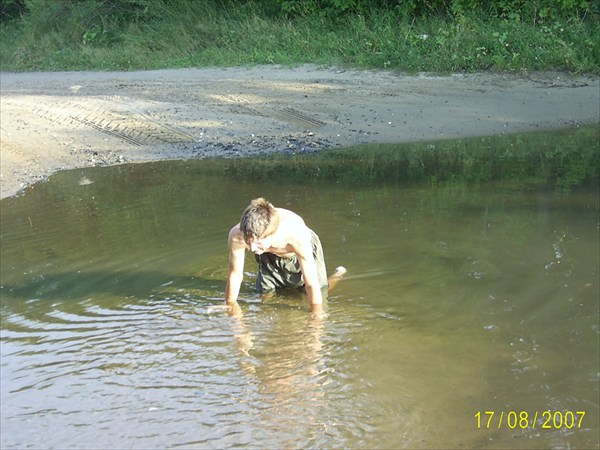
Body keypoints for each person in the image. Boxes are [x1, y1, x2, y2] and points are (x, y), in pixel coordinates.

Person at [225, 197, 345, 313]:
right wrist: (230, 306)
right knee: (264, 295)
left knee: (319, 290)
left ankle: (338, 274)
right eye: (248, 241)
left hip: (297, 252)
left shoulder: (296, 234)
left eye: (257, 243)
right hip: (268, 252)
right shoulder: (238, 235)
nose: (251, 248)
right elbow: (235, 274)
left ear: (271, 235)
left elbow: (311, 283)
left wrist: (317, 317)